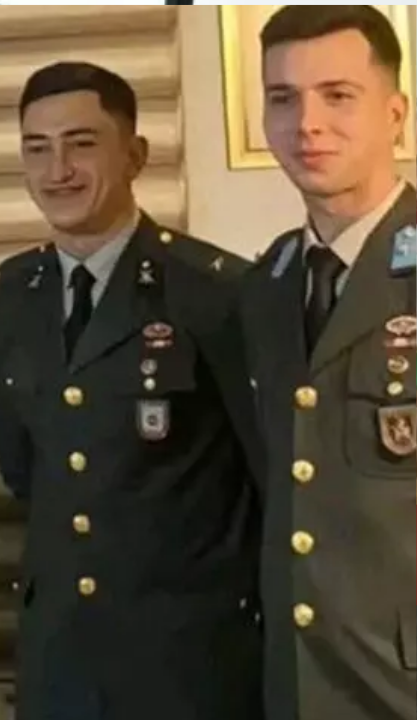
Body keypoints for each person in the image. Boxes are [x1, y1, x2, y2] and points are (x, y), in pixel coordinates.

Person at [0, 63, 264, 720]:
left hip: (189, 663)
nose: (58, 171)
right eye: (36, 148)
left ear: (135, 155)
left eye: (81, 143)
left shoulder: (215, 292)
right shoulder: (9, 298)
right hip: (61, 662)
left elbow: (267, 478)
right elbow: (27, 471)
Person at [244, 6, 416, 720]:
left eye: (337, 95)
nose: (307, 124)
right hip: (296, 686)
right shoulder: (265, 285)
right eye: (283, 99)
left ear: (395, 114)